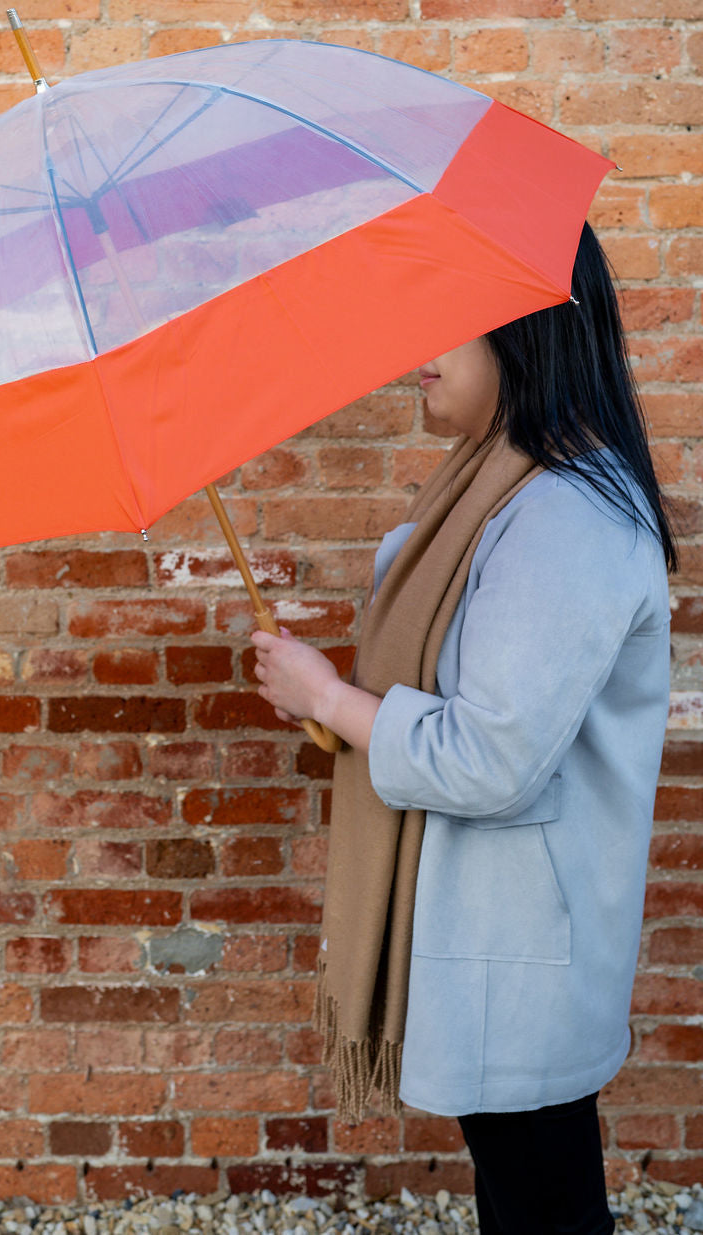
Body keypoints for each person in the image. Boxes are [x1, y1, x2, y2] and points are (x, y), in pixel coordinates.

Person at [251, 223, 676, 1235]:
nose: (417, 356)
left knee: (541, 1200)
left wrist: (328, 698)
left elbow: (490, 759)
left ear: (521, 334)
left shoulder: (563, 516)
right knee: (530, 1189)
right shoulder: (503, 497)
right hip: (505, 934)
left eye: (445, 324)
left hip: (521, 941)